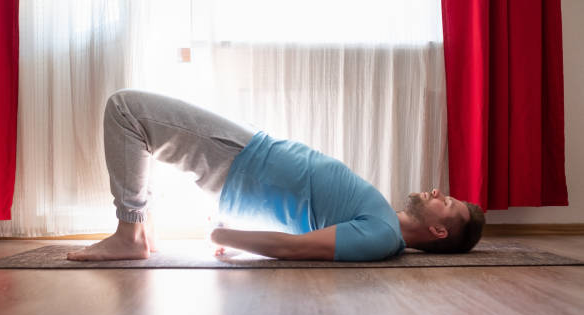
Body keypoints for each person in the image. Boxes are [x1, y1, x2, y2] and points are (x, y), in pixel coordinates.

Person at [66, 89, 485, 262]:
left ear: (439, 232)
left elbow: (297, 247)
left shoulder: (381, 236)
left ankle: (131, 234)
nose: (436, 192)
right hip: (248, 156)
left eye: (444, 202)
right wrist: (231, 228)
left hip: (242, 161)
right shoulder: (383, 224)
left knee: (125, 109)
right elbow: (302, 216)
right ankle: (141, 232)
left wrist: (223, 238)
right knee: (138, 121)